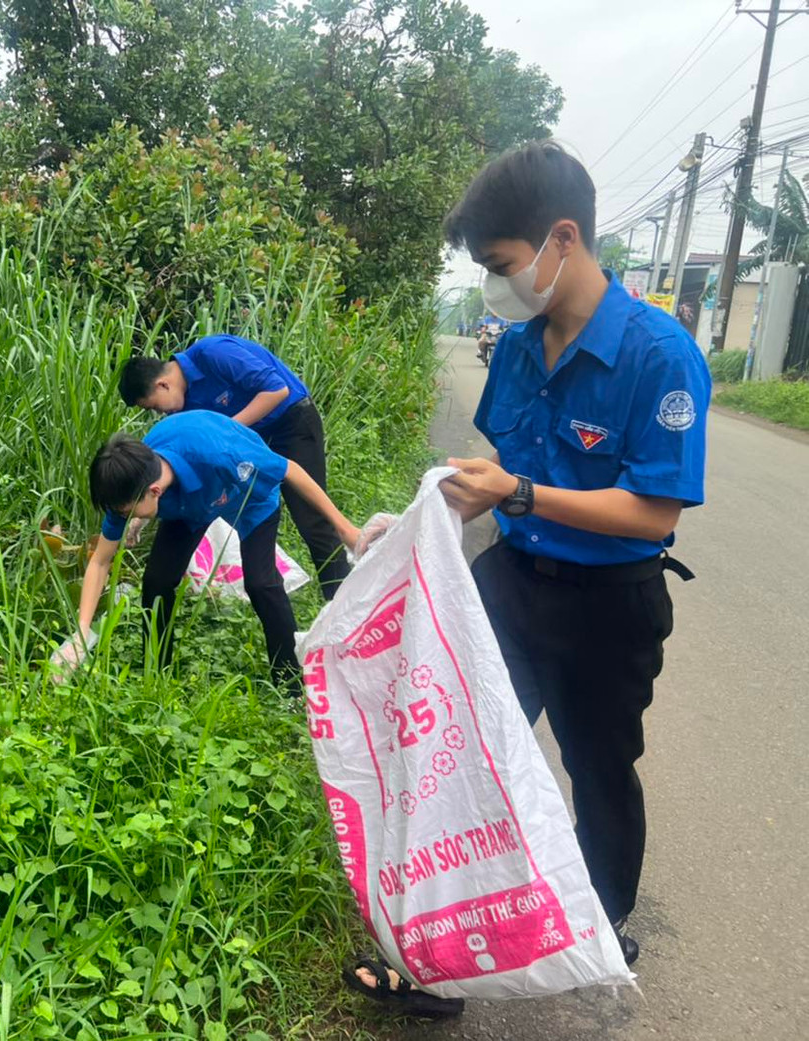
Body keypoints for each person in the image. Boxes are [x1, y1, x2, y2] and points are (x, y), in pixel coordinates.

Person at [347, 140, 710, 1015]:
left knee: (598, 764)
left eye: (503, 265)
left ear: (562, 239)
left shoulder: (659, 356)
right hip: (512, 583)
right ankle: (435, 955)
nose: (497, 286)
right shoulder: (515, 346)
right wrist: (425, 520)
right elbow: (497, 473)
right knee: (459, 757)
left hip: (611, 606)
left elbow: (655, 513)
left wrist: (523, 491)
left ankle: (596, 919)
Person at [52, 410, 361, 693]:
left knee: (261, 584)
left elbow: (290, 469)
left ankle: (291, 684)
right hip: (189, 509)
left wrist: (344, 529)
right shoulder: (128, 483)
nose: (123, 517)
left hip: (248, 498)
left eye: (127, 513)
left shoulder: (222, 455)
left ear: (154, 491)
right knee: (157, 582)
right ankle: (157, 675)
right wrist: (80, 633)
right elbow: (100, 561)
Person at [117, 334, 352, 600]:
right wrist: (138, 514)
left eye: (155, 407)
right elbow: (168, 468)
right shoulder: (182, 409)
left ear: (162, 384)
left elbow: (276, 390)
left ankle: (342, 605)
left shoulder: (213, 353)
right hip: (248, 440)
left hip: (290, 423)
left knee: (312, 520)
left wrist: (224, 432)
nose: (160, 414)